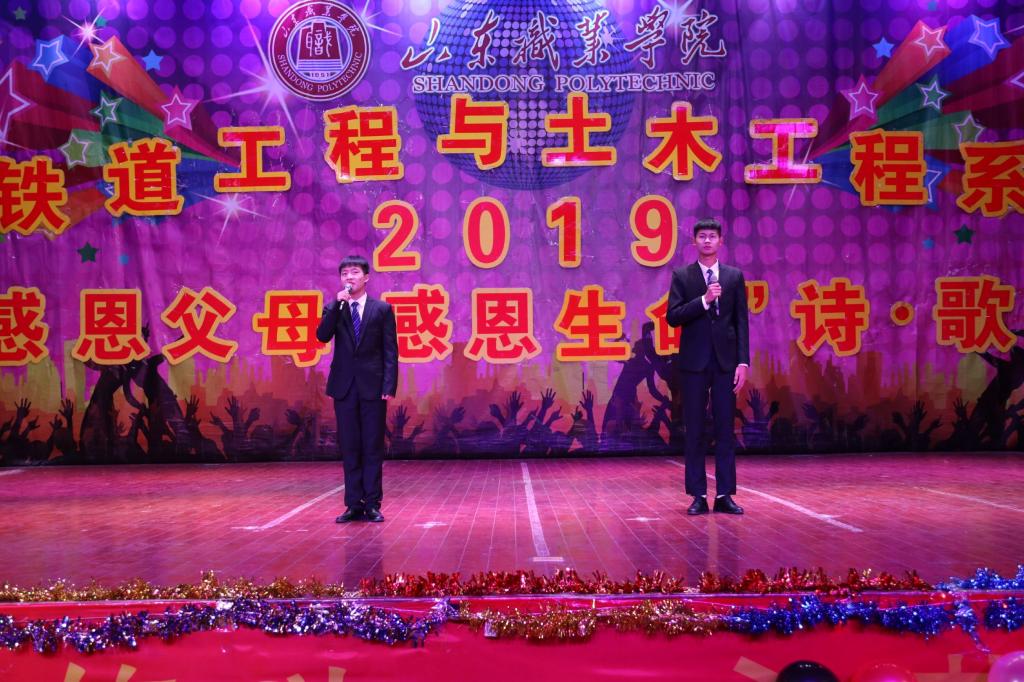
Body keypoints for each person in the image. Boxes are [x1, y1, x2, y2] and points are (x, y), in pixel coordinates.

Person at [666, 218, 750, 515]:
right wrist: (704, 300)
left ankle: (724, 494)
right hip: (694, 362)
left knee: (725, 428)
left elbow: (741, 322)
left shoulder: (734, 276)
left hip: (725, 363)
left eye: (712, 236)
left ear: (720, 241)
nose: (707, 241)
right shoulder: (682, 276)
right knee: (695, 429)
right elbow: (673, 316)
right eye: (702, 236)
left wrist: (742, 361)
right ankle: (698, 495)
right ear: (694, 241)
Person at [316, 255, 398, 523]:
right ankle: (353, 504)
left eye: (354, 273)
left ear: (366, 277)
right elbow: (322, 335)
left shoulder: (381, 309)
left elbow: (390, 351)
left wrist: (389, 385)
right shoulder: (336, 307)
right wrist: (336, 304)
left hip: (373, 387)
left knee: (372, 446)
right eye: (344, 274)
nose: (349, 278)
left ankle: (372, 503)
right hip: (345, 387)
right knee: (350, 446)